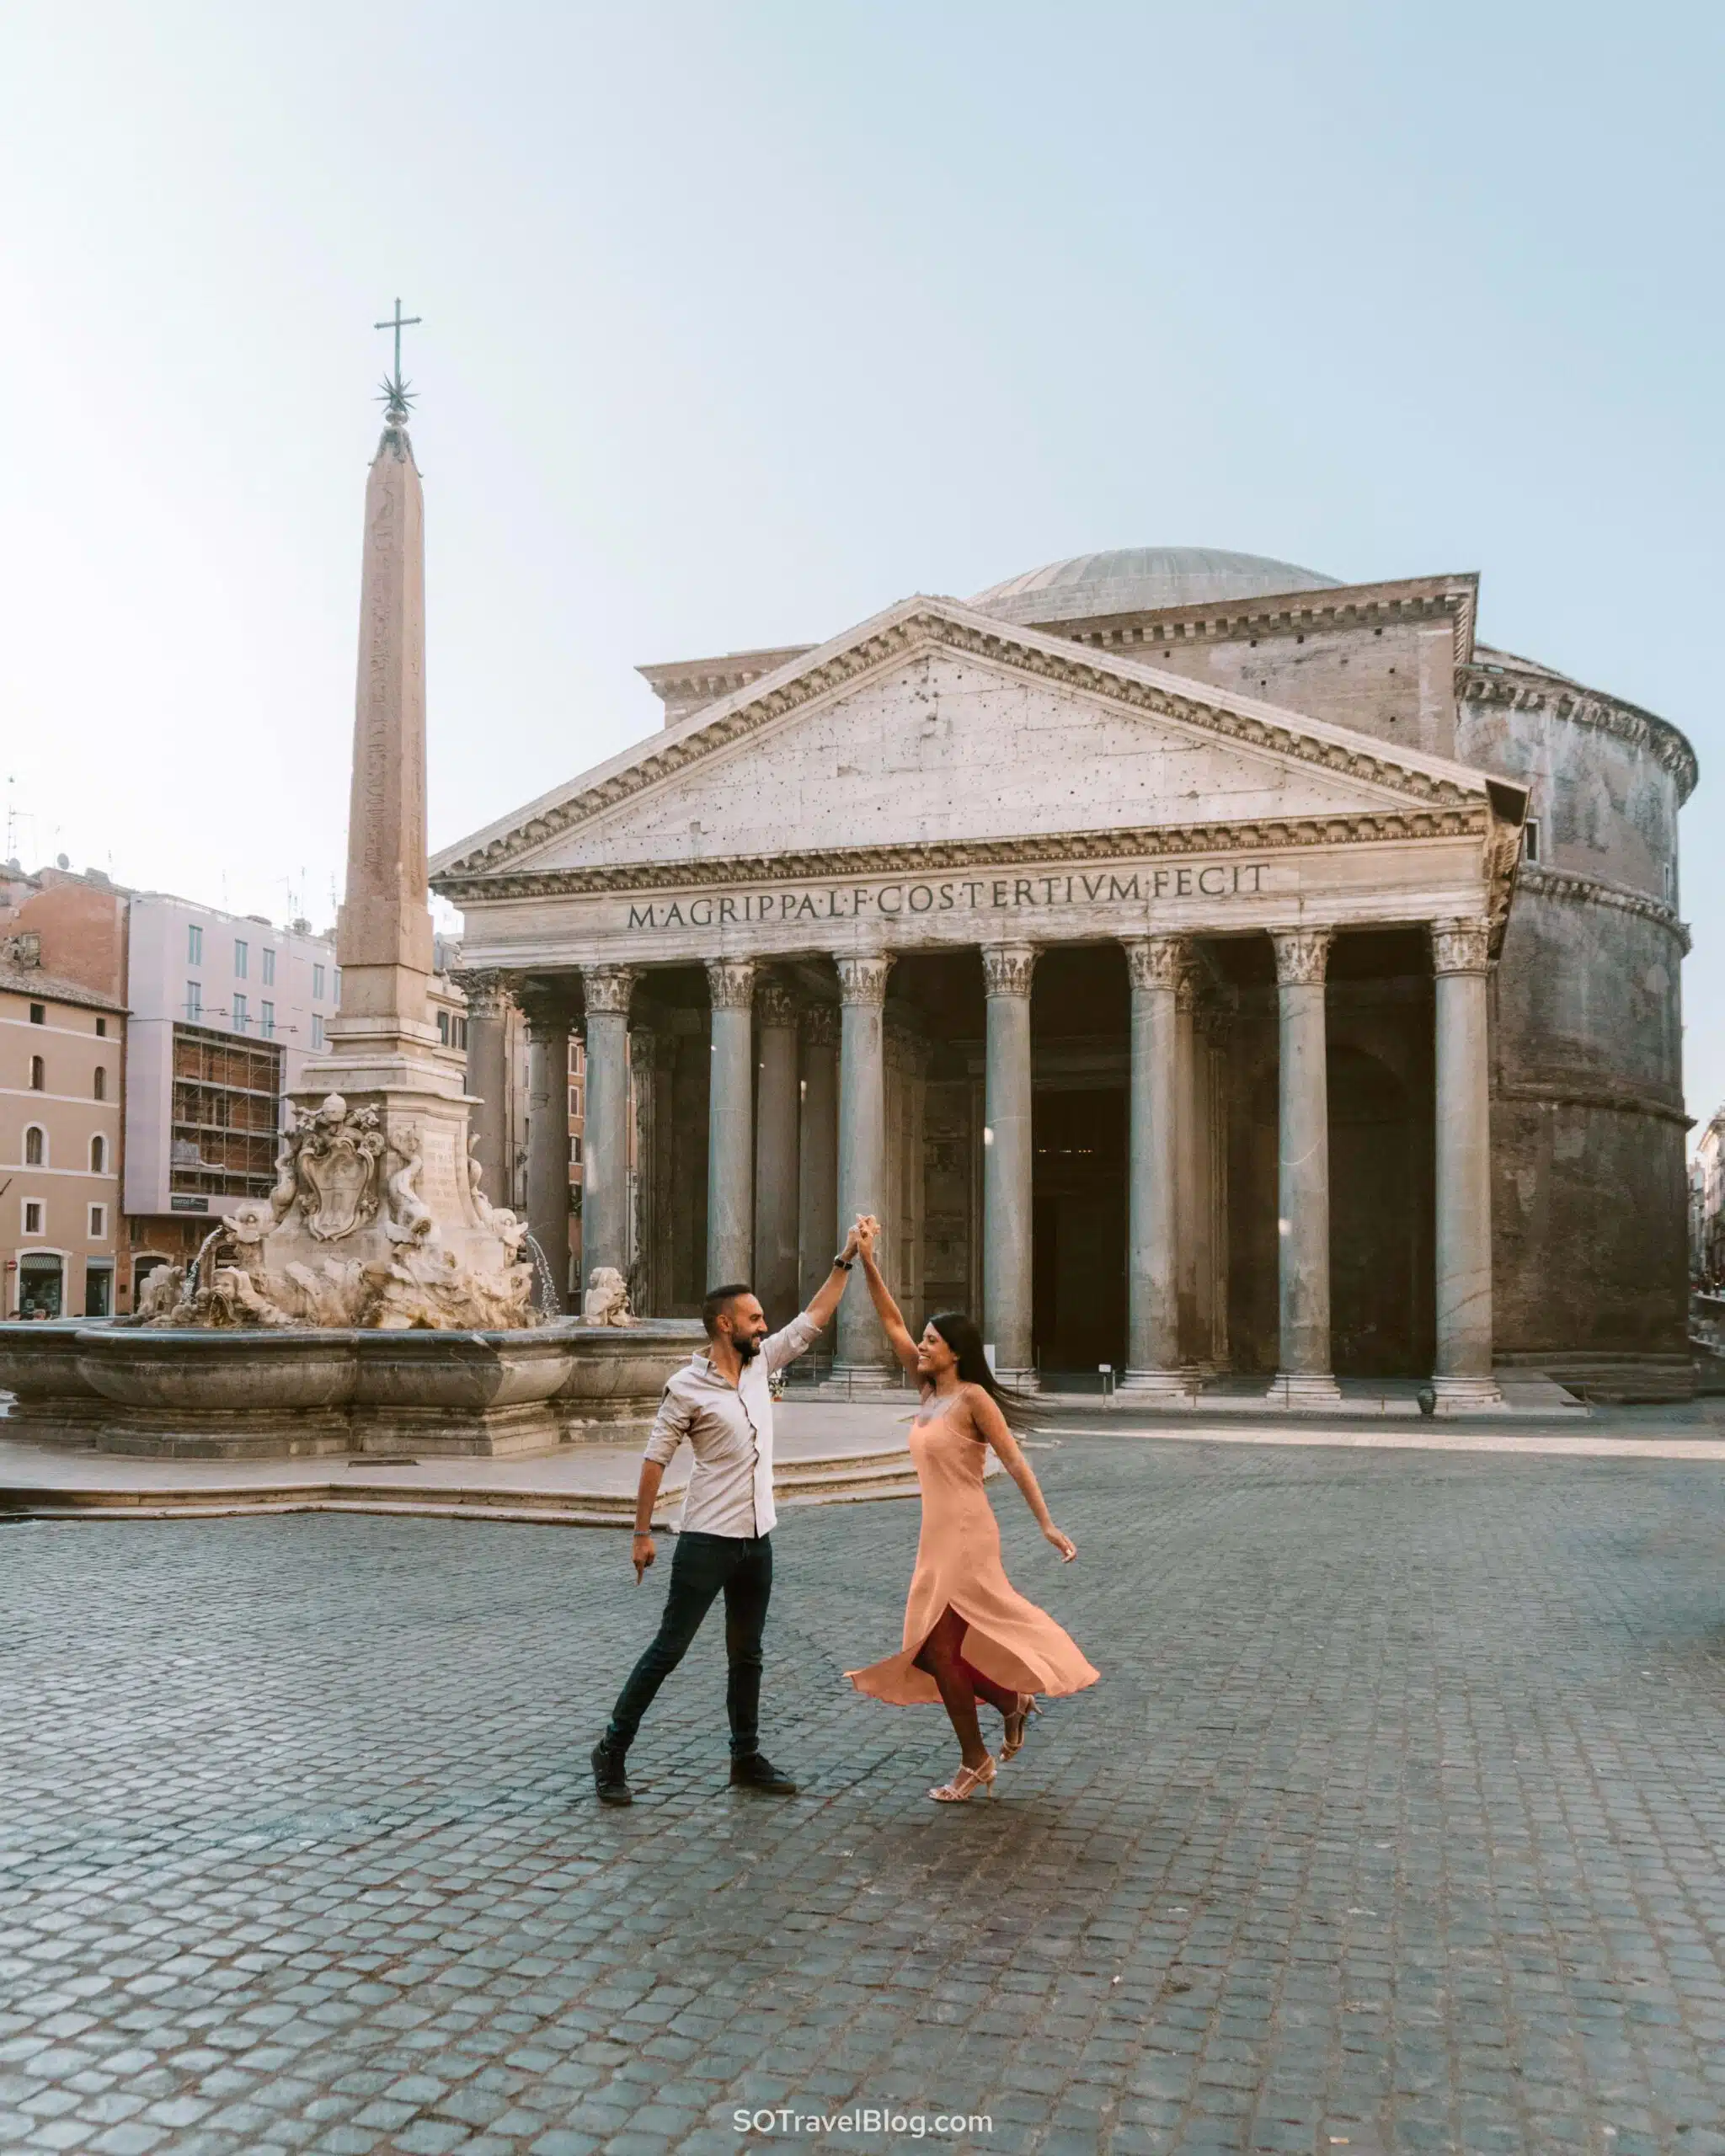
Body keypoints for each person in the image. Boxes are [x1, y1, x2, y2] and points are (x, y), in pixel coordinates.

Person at [590, 1222, 863, 1806]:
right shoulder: (685, 1387)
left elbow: (813, 1318)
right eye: (756, 1319)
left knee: (748, 1654)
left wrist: (846, 1258)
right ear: (725, 1325)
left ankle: (745, 1757)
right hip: (706, 1541)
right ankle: (611, 1750)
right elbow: (653, 1461)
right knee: (669, 1651)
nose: (765, 1326)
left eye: (764, 1320)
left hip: (756, 1539)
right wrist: (641, 1533)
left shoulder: (763, 1365)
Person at [846, 1216, 1098, 1801]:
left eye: (932, 1341)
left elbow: (1014, 1462)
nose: (922, 1345)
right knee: (933, 1655)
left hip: (966, 1530)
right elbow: (891, 1321)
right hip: (935, 1533)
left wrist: (1046, 1524)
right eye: (925, 1340)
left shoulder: (973, 1397)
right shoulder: (928, 1389)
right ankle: (1010, 1701)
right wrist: (867, 1259)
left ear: (953, 1352)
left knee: (936, 1649)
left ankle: (975, 1761)